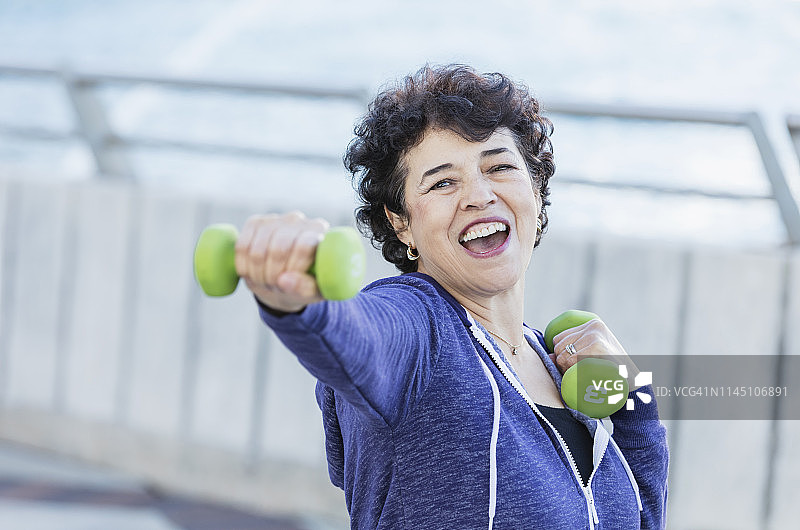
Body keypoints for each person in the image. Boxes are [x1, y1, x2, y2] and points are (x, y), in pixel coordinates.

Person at [235, 64, 669, 529]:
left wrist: (632, 401)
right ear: (401, 222)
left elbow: (645, 517)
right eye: (443, 182)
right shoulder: (423, 329)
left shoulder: (553, 362)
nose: (479, 195)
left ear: (536, 192)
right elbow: (363, 338)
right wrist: (302, 303)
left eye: (500, 166)